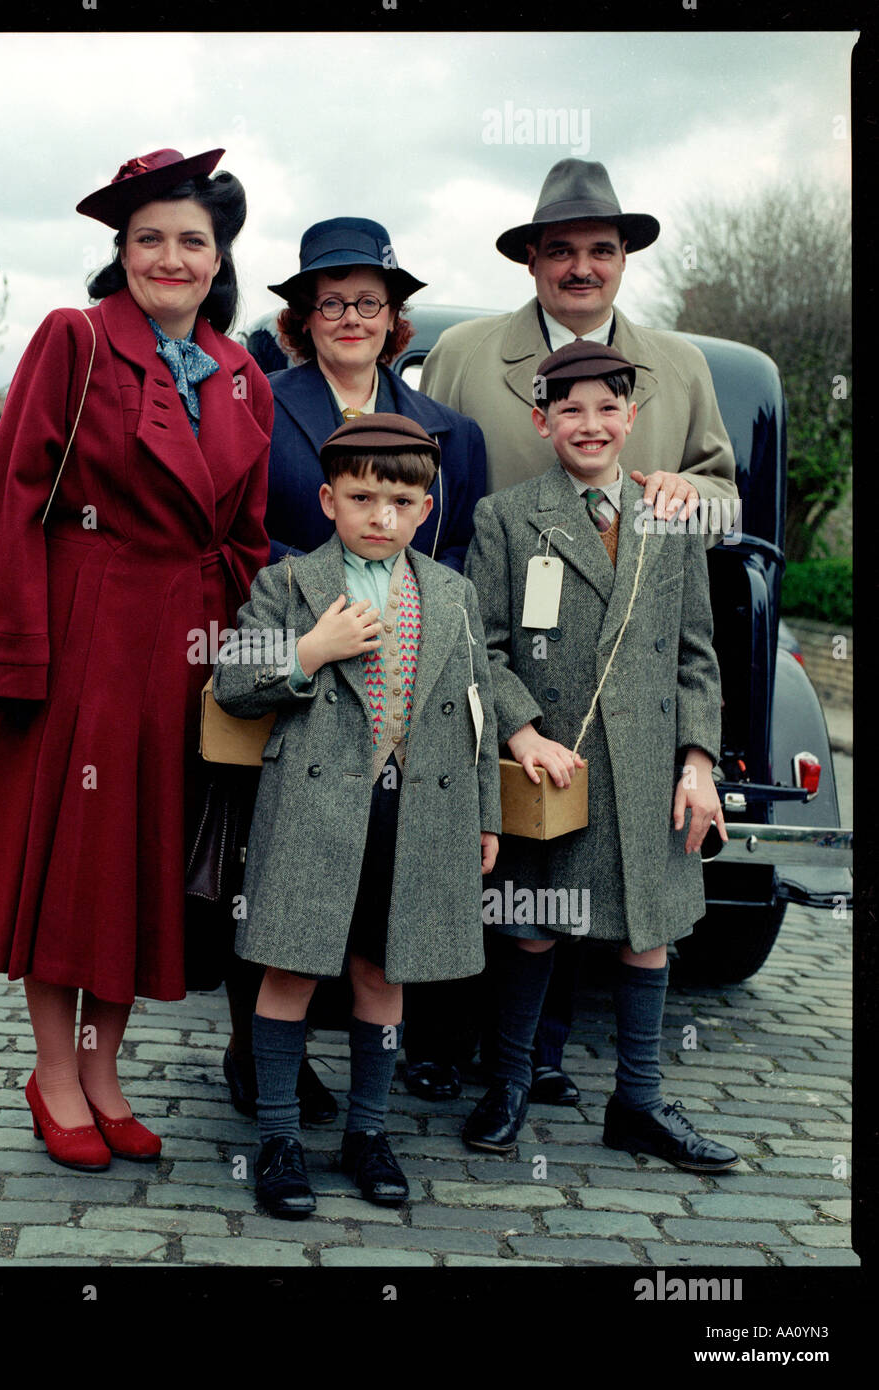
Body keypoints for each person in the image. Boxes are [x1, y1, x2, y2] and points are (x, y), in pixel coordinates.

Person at [0, 148, 273, 1172]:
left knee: (145, 867)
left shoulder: (244, 372)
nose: (171, 257)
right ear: (120, 252)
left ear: (219, 260)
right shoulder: (73, 341)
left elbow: (247, 535)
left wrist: (239, 663)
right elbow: (10, 497)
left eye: (191, 241)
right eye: (149, 238)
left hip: (185, 647)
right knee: (73, 864)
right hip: (82, 635)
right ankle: (54, 1071)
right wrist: (14, 652)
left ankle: (102, 1070)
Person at [415, 158, 741, 1106]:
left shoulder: (680, 366)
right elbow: (427, 492)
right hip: (491, 656)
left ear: (625, 259)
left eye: (602, 249)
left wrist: (692, 492)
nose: (583, 267)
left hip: (625, 663)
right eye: (562, 250)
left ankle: (540, 1064)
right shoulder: (470, 354)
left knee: (574, 882)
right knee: (481, 861)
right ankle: (445, 1042)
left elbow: (721, 499)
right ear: (532, 262)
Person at [220, 217, 488, 1124]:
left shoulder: (448, 430)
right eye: (328, 302)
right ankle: (264, 1069)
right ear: (301, 315)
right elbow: (242, 525)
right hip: (302, 650)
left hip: (404, 667)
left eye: (367, 302)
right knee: (276, 888)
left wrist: (399, 596)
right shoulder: (261, 399)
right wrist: (321, 602)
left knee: (379, 933)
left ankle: (367, 1113)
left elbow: (454, 558)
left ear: (393, 317)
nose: (349, 317)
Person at [213, 413, 501, 1218]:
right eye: (364, 496)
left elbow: (474, 711)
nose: (383, 516)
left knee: (382, 970)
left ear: (427, 507)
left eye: (403, 500)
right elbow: (234, 684)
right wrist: (310, 649)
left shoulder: (452, 594)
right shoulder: (290, 584)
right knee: (292, 966)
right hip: (311, 807)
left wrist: (486, 815)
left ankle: (368, 1134)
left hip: (417, 813)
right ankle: (277, 1137)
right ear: (328, 499)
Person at [461, 340, 738, 1173]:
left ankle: (640, 1102)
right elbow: (485, 648)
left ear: (634, 419)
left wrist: (698, 761)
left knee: (646, 933)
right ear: (542, 421)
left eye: (607, 408)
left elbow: (696, 652)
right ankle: (508, 1082)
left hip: (651, 763)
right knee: (538, 927)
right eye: (570, 409)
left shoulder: (667, 517)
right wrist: (520, 732)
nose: (591, 424)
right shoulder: (506, 518)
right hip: (559, 768)